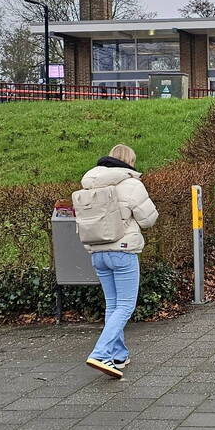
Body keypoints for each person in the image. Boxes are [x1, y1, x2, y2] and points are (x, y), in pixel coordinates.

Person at [78, 144, 158, 379]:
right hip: (122, 251)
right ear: (130, 161)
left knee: (112, 305)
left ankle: (118, 355)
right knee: (125, 305)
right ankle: (101, 353)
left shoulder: (90, 182)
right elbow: (148, 219)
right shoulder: (131, 183)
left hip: (97, 252)